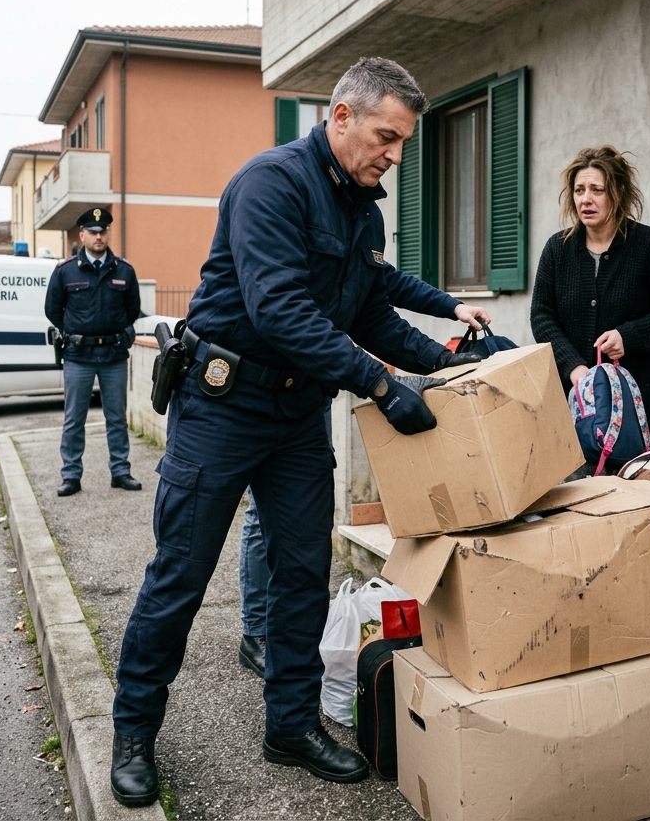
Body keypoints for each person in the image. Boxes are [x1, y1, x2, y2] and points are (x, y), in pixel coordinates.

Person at [109, 57, 482, 807]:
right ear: (340, 116)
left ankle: (290, 726)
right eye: (386, 136)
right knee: (181, 575)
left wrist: (447, 358)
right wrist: (379, 384)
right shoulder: (269, 185)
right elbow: (280, 309)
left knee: (304, 574)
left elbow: (369, 314)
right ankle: (133, 730)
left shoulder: (362, 213)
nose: (395, 155)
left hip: (297, 415)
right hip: (222, 407)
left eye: (404, 142)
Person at [238, 265, 490, 677]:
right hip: (257, 388)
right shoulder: (293, 213)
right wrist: (379, 382)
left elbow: (385, 283)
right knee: (260, 514)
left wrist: (453, 308)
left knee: (299, 518)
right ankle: (256, 631)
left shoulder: (355, 223)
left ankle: (292, 636)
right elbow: (282, 304)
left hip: (309, 388)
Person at [529, 146, 650, 443]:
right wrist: (574, 368)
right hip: (572, 410)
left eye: (596, 190)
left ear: (617, 194)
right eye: (578, 190)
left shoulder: (647, 245)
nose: (585, 199)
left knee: (632, 488)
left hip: (636, 410)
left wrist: (628, 336)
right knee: (577, 490)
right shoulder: (557, 250)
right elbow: (542, 316)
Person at [44, 207, 141, 498]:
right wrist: (75, 331)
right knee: (74, 419)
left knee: (117, 418)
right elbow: (53, 310)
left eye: (103, 232)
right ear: (82, 235)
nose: (99, 237)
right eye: (93, 232)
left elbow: (132, 310)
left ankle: (120, 471)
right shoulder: (65, 271)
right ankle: (71, 475)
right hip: (78, 355)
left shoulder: (124, 270)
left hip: (113, 355)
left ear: (107, 234)